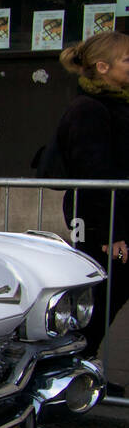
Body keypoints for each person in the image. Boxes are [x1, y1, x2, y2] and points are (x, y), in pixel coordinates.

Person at [54, 31, 129, 360]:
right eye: (126, 60)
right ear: (102, 67)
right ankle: (73, 368)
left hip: (116, 221)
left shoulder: (115, 104)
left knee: (106, 300)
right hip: (104, 226)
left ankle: (82, 367)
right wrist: (110, 234)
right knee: (97, 303)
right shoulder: (90, 110)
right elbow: (94, 177)